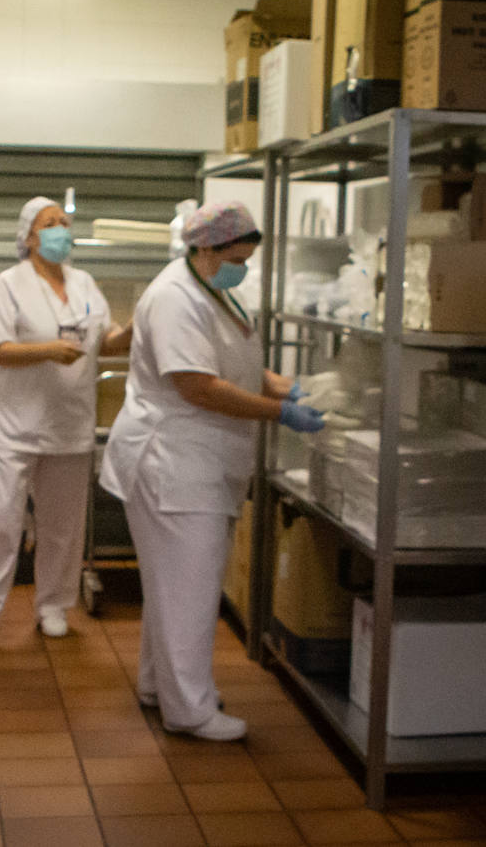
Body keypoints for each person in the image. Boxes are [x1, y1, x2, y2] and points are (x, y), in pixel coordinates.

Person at [98, 200, 324, 741]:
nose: (240, 267)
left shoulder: (213, 290)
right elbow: (197, 385)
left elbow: (235, 365)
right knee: (189, 593)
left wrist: (291, 387)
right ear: (205, 248)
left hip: (196, 462)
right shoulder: (175, 298)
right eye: (235, 258)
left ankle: (159, 687)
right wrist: (280, 412)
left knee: (172, 588)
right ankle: (190, 710)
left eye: (245, 259)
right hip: (173, 463)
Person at [0, 196, 133, 656]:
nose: (61, 230)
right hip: (12, 427)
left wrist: (134, 329)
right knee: (1, 522)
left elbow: (105, 341)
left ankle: (54, 606)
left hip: (69, 425)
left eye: (65, 222)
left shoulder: (85, 283)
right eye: (51, 223)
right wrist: (48, 351)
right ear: (29, 237)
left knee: (63, 526)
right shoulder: (9, 285)